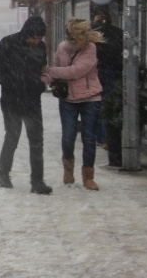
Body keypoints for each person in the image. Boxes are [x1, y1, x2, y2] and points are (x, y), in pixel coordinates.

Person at [0, 16, 52, 195]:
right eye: (33, 37)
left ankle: (37, 181)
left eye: (39, 38)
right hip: (11, 99)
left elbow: (42, 68)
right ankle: (3, 174)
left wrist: (41, 83)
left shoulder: (41, 48)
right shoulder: (8, 43)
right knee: (12, 136)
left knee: (37, 140)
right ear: (26, 33)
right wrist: (9, 82)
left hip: (32, 99)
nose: (36, 41)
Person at [41, 18, 103, 191]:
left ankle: (88, 176)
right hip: (68, 99)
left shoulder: (90, 48)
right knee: (68, 137)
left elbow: (76, 71)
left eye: (74, 36)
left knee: (89, 139)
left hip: (90, 98)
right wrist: (44, 78)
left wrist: (50, 70)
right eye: (69, 35)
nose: (71, 39)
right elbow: (57, 71)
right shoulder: (62, 47)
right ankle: (68, 170)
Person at [92, 14, 123, 148]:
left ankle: (99, 137)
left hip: (96, 72)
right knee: (109, 104)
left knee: (96, 104)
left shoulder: (92, 35)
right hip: (114, 70)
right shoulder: (119, 32)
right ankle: (106, 138)